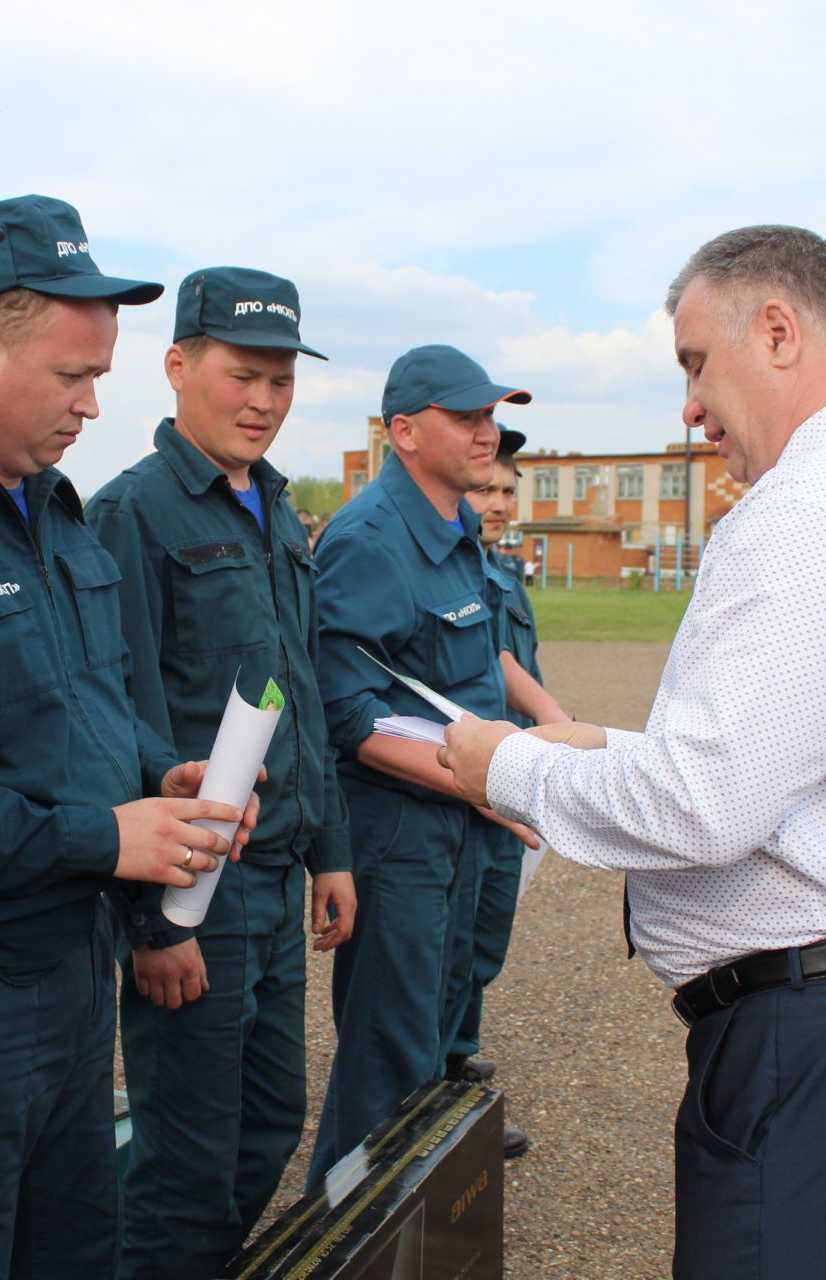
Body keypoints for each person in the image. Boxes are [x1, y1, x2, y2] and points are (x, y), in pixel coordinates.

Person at [440, 225, 826, 1280]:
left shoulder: (816, 504)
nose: (688, 406)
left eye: (693, 363)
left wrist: (508, 766)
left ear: (777, 330)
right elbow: (801, 759)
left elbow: (706, 804)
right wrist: (609, 747)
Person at [0, 196, 253, 1278]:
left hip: (77, 981)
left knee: (79, 1249)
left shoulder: (59, 512)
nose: (95, 404)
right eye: (73, 376)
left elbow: (87, 708)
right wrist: (106, 837)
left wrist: (163, 775)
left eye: (100, 376)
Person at [86, 267, 356, 1277]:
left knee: (270, 1124)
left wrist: (332, 850)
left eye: (280, 382)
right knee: (186, 1162)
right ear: (176, 366)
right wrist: (156, 923)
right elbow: (124, 727)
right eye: (242, 376)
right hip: (199, 891)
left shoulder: (279, 511)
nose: (262, 402)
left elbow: (305, 690)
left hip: (276, 875)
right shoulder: (134, 513)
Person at [305, 344, 556, 1187]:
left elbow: (475, 665)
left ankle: (404, 1232)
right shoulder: (370, 539)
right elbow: (349, 713)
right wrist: (485, 786)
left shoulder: (453, 532)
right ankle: (341, 1233)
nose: (487, 433)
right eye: (468, 417)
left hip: (464, 827)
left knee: (435, 1048)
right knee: (387, 1064)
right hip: (403, 832)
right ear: (403, 432)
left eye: (491, 416)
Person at [442, 427, 555, 1138]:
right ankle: (441, 1090)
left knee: (485, 934)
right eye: (485, 488)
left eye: (509, 490)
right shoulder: (459, 573)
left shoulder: (503, 574)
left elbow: (522, 670)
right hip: (468, 777)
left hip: (511, 771)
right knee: (454, 943)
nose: (499, 502)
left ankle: (456, 1051)